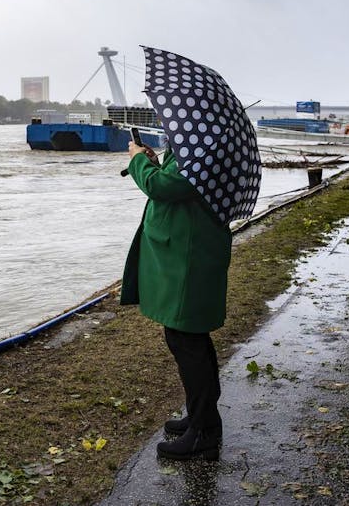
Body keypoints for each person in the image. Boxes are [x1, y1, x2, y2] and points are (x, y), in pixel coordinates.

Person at [120, 140, 233, 461]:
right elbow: (174, 179)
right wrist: (156, 161)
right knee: (191, 337)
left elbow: (162, 186)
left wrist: (138, 161)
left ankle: (204, 433)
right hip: (189, 252)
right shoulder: (199, 147)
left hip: (188, 257)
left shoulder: (200, 150)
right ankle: (204, 418)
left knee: (186, 338)